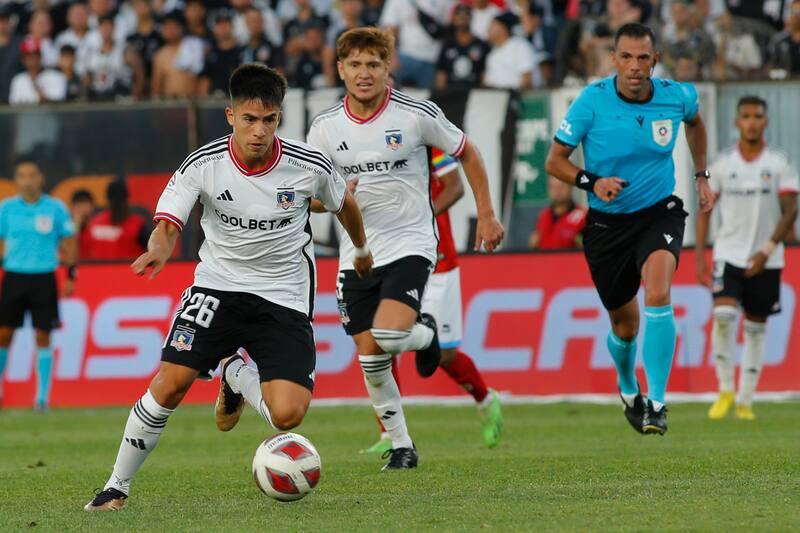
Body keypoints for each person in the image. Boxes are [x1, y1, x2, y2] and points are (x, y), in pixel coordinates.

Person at [83, 64, 371, 512]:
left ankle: (234, 374)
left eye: (270, 119)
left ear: (279, 118)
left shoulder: (308, 165)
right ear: (230, 115)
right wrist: (160, 247)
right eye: (250, 119)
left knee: (287, 416)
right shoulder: (204, 164)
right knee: (171, 383)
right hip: (218, 286)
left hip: (284, 294)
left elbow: (344, 203)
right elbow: (168, 222)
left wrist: (362, 247)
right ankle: (116, 486)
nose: (260, 131)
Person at [307, 28, 504, 470]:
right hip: (357, 251)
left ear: (387, 68)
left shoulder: (415, 114)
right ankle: (401, 445)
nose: (364, 73)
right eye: (355, 64)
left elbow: (468, 153)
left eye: (373, 64)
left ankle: (427, 333)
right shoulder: (324, 129)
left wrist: (487, 214)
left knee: (390, 336)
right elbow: (311, 199)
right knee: (370, 358)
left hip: (411, 241)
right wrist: (338, 196)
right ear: (340, 69)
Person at [545, 23, 715, 435]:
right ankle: (627, 384)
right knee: (625, 326)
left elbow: (695, 123)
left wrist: (701, 174)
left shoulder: (677, 96)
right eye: (627, 57)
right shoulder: (591, 102)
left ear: (655, 60)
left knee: (658, 292)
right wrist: (592, 182)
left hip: (660, 212)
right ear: (614, 59)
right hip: (606, 224)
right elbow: (555, 161)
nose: (635, 67)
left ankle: (657, 403)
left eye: (643, 58)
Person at [361, 147, 504, 455]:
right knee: (383, 341)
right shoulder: (365, 146)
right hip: (389, 258)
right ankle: (389, 433)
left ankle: (486, 400)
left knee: (444, 356)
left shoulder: (428, 141)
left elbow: (454, 186)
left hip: (438, 261)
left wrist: (415, 219)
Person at [696, 96, 799, 421]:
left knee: (756, 328)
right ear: (736, 122)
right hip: (729, 252)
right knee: (724, 317)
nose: (752, 122)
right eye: (746, 116)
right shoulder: (723, 163)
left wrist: (767, 249)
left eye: (757, 116)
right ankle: (725, 389)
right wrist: (701, 255)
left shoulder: (779, 162)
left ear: (765, 122)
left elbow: (791, 211)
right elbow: (705, 208)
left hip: (767, 257)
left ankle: (745, 400)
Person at [0, 159, 77, 410]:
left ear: (40, 178)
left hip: (44, 277)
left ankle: (42, 398)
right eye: (22, 175)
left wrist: (70, 275)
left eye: (32, 175)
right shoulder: (7, 208)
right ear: (16, 181)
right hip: (14, 275)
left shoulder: (56, 208)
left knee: (43, 335)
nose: (27, 180)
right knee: (4, 334)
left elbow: (70, 240)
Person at [82, 180, 150, 260]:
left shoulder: (94, 223)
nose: (117, 203)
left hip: (100, 271)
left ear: (107, 199)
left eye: (119, 200)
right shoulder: (138, 225)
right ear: (127, 199)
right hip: (127, 271)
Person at [435, 3, 491, 91]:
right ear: (453, 18)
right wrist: (441, 96)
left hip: (473, 95)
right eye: (458, 14)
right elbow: (441, 73)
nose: (462, 17)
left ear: (471, 17)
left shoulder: (481, 45)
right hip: (450, 94)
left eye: (465, 14)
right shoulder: (447, 44)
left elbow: (484, 74)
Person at [528, 176, 586, 250]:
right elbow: (534, 244)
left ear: (571, 188)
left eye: (561, 186)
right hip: (544, 260)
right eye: (553, 187)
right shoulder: (543, 216)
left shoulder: (582, 217)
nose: (557, 191)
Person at [9, 37, 67, 105]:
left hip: (48, 115)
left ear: (41, 57)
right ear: (23, 60)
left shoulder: (57, 76)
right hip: (25, 116)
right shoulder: (18, 80)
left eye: (35, 57)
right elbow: (13, 106)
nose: (33, 61)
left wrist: (40, 93)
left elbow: (60, 104)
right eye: (29, 58)